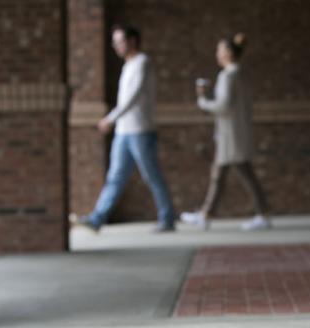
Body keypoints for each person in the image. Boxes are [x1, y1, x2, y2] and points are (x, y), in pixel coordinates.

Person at [76, 24, 175, 232]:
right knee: (115, 177)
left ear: (132, 41)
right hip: (123, 132)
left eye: (119, 41)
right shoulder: (127, 65)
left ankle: (167, 218)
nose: (116, 46)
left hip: (140, 130)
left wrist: (110, 118)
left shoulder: (142, 63)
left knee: (152, 175)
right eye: (115, 42)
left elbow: (132, 97)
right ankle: (97, 219)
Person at [180, 33, 270, 231]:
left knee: (236, 174)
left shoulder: (228, 75)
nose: (217, 54)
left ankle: (260, 213)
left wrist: (203, 101)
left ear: (228, 53)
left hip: (231, 135)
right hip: (236, 132)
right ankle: (207, 213)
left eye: (220, 50)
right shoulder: (240, 74)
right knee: (224, 175)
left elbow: (223, 105)